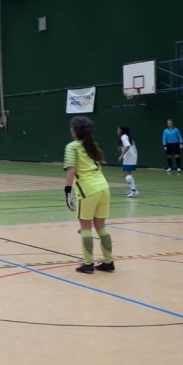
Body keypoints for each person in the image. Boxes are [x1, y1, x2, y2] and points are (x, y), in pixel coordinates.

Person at [63, 116, 114, 274]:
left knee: (85, 228)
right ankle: (108, 262)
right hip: (104, 188)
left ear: (74, 130)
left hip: (88, 191)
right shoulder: (91, 145)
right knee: (101, 227)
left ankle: (88, 264)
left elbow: (71, 171)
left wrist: (67, 192)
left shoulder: (72, 147)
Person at [117, 125, 139, 198]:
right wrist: (121, 149)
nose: (117, 131)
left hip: (129, 157)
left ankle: (133, 190)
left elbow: (128, 146)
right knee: (128, 173)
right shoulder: (127, 137)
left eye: (118, 129)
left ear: (121, 130)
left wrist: (121, 155)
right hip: (133, 156)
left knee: (126, 173)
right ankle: (133, 189)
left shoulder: (123, 137)